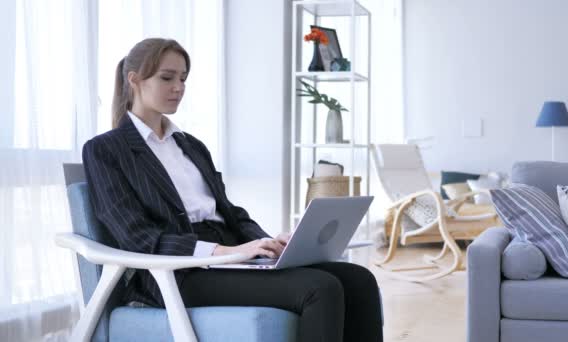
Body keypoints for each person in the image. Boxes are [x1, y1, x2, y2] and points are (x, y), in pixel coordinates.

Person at [82, 38, 383, 341]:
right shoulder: (105, 150)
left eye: (183, 78)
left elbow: (231, 213)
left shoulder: (190, 145)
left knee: (359, 279)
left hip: (229, 257)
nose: (178, 87)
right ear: (134, 80)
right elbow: (136, 237)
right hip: (179, 272)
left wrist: (265, 243)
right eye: (167, 77)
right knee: (320, 288)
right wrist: (226, 252)